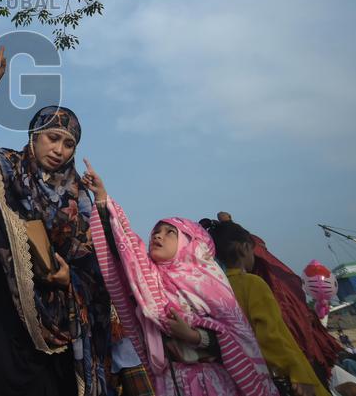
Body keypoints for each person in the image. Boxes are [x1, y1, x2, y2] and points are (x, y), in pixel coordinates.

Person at [0, 47, 119, 395]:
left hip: (64, 330)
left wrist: (70, 276)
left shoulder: (81, 201)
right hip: (11, 323)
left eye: (69, 143)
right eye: (53, 137)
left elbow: (102, 271)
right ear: (34, 136)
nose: (60, 149)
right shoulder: (2, 172)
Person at [85, 165, 278, 395]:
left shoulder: (211, 285)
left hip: (214, 384)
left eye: (169, 232)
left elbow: (239, 342)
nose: (158, 235)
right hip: (170, 384)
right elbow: (122, 245)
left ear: (190, 243)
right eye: (156, 231)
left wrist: (194, 337)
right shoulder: (148, 277)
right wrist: (102, 199)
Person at [204, 219, 329, 396]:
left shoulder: (214, 290)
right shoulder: (252, 283)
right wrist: (298, 373)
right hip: (284, 380)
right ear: (244, 248)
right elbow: (271, 336)